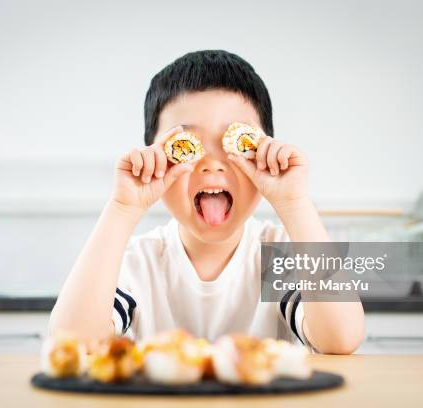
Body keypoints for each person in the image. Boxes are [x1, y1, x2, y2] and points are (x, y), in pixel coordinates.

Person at [49, 50, 365, 353]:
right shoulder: (137, 262)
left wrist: (294, 204)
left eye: (239, 143)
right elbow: (74, 343)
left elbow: (340, 339)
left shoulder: (280, 255)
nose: (212, 164)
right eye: (186, 145)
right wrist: (122, 210)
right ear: (153, 156)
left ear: (266, 150)